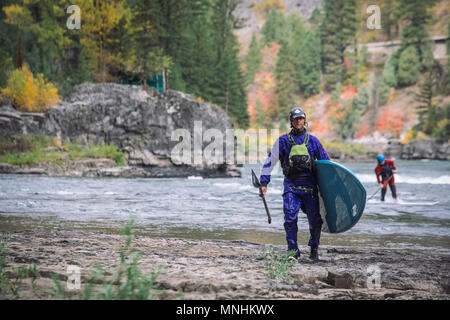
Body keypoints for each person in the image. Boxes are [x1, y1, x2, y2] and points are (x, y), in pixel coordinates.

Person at [259, 107, 330, 262]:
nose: (298, 121)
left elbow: (326, 163)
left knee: (316, 220)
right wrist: (264, 182)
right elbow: (270, 161)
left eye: (301, 118)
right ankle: (293, 251)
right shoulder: (283, 141)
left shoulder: (313, 141)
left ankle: (314, 249)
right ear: (291, 121)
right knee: (290, 219)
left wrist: (331, 186)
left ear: (305, 120)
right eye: (295, 119)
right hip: (291, 186)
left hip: (310, 187)